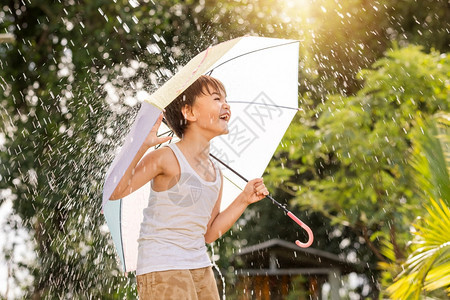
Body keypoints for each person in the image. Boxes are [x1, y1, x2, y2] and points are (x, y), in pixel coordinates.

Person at [109, 75, 269, 299]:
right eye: (216, 98)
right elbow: (117, 191)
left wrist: (244, 198)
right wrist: (142, 143)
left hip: (200, 266)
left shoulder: (216, 173)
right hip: (162, 265)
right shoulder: (165, 157)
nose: (226, 105)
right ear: (189, 112)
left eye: (225, 98)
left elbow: (209, 233)